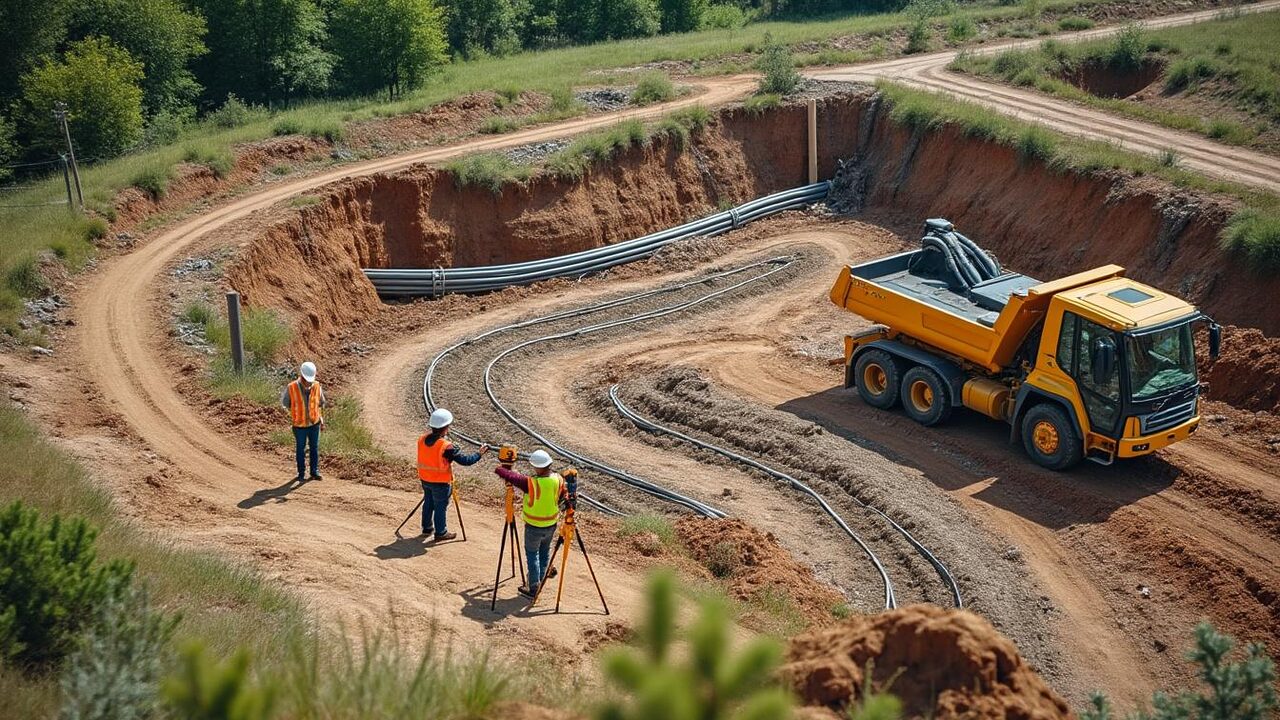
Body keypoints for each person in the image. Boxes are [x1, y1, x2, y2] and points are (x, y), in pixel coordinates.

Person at [494, 449, 566, 598]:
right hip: (551, 524)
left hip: (534, 526)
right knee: (544, 553)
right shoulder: (558, 479)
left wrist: (500, 468)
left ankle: (533, 587)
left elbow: (511, 476)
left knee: (532, 555)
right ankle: (540, 579)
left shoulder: (532, 483)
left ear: (538, 467)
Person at [417, 408, 488, 541]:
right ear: (445, 428)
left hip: (425, 479)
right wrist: (479, 454)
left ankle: (427, 528)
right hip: (440, 483)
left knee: (428, 502)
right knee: (440, 506)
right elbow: (466, 461)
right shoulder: (446, 446)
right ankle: (441, 532)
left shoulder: (422, 439)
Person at [280, 361, 325, 482]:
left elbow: (320, 403)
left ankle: (314, 471)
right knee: (301, 449)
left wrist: (321, 418)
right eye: (306, 380)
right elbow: (286, 403)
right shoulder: (291, 387)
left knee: (314, 448)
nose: (308, 383)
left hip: (314, 424)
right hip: (299, 426)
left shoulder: (317, 386)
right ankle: (301, 473)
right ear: (301, 376)